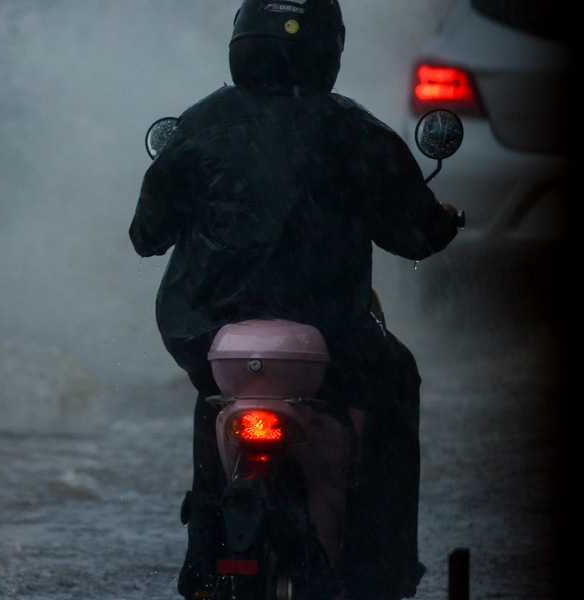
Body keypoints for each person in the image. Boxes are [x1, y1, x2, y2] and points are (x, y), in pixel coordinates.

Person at [127, 0, 461, 598]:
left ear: (241, 41)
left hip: (207, 332)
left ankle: (204, 558)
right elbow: (415, 232)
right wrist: (443, 221)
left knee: (214, 402)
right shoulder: (355, 130)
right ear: (329, 49)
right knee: (397, 377)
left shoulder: (199, 125)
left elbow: (145, 235)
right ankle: (381, 570)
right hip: (332, 335)